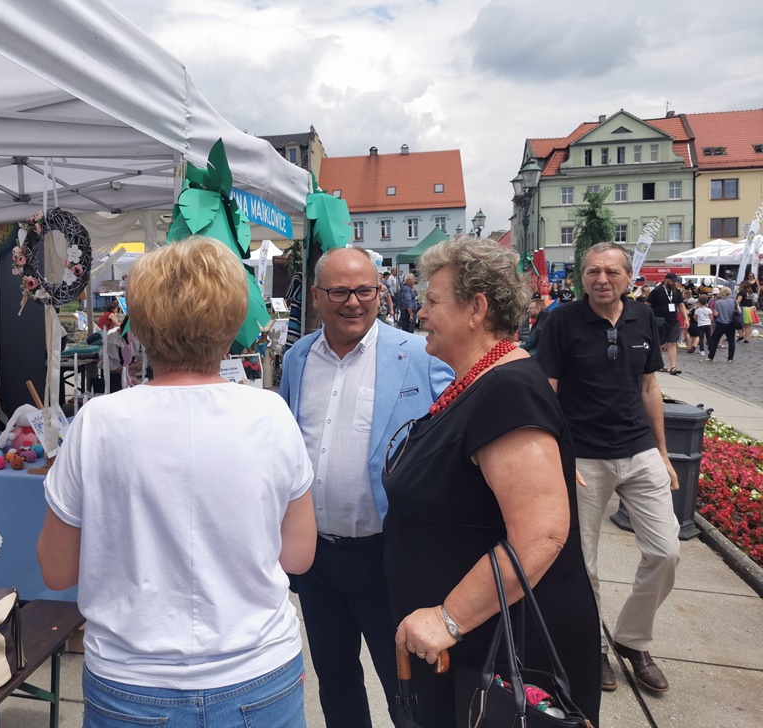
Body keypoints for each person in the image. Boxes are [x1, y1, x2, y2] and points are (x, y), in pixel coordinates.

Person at [38, 237, 317, 726]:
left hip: (132, 681)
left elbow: (57, 570)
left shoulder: (98, 421)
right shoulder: (271, 413)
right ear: (232, 323)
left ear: (141, 326)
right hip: (257, 670)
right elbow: (297, 557)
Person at [384, 236, 600, 727]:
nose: (420, 313)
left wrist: (449, 618)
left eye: (433, 301)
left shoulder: (507, 390)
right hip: (467, 646)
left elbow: (541, 535)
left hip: (496, 652)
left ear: (476, 309)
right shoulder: (483, 380)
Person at [279, 247, 453, 727]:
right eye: (339, 292)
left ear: (381, 293)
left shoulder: (418, 355)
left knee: (407, 690)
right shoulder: (297, 358)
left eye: (364, 290)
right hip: (318, 559)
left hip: (387, 557)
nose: (353, 302)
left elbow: (464, 425)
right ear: (317, 296)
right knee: (335, 682)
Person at [537, 242, 680, 695]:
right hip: (582, 456)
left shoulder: (643, 318)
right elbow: (547, 390)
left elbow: (649, 387)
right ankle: (591, 646)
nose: (602, 279)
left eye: (612, 271)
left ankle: (632, 640)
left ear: (628, 277)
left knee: (666, 552)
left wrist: (662, 453)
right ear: (582, 276)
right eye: (593, 271)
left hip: (638, 450)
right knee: (583, 563)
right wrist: (557, 455)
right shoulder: (562, 320)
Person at [647, 272, 686, 375]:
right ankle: (659, 365)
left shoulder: (676, 292)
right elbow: (647, 304)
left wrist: (686, 318)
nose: (674, 283)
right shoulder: (657, 291)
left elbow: (681, 305)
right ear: (666, 280)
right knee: (659, 343)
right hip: (659, 320)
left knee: (672, 343)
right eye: (672, 281)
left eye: (675, 282)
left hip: (673, 321)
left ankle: (673, 366)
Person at [707, 285, 739, 363]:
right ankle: (730, 358)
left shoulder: (718, 302)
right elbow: (739, 311)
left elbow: (716, 314)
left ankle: (711, 356)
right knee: (731, 341)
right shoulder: (734, 301)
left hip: (721, 323)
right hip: (731, 323)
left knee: (714, 340)